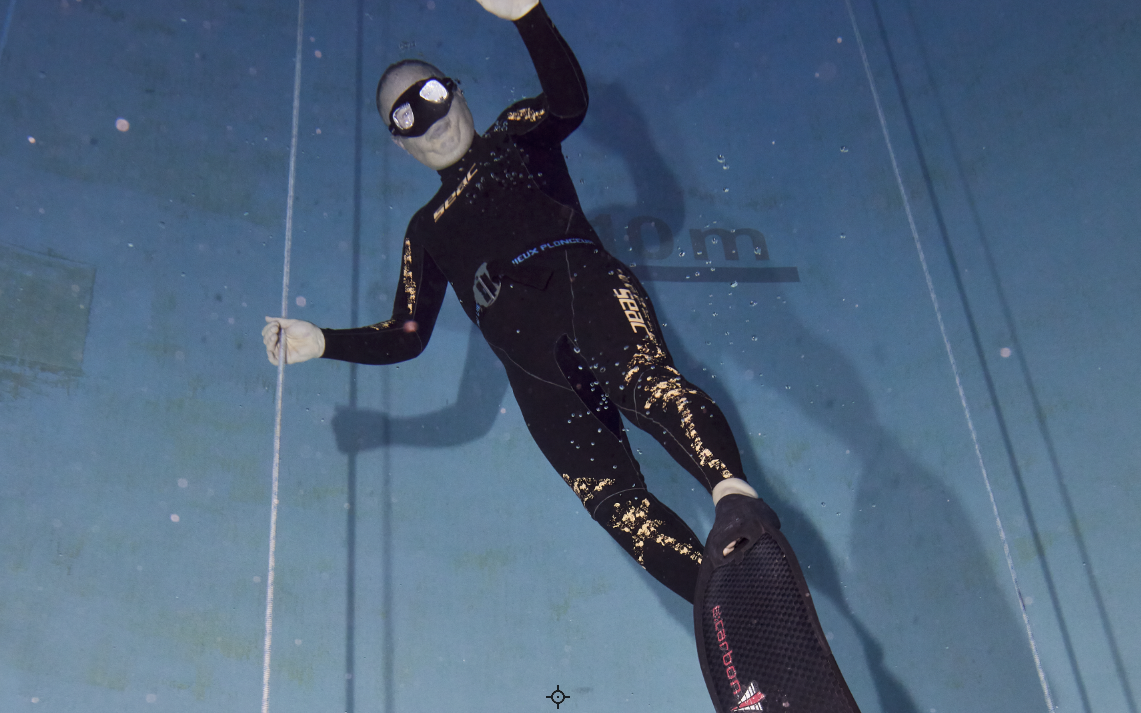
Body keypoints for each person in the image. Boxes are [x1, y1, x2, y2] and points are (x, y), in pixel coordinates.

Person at [262, 0, 776, 604]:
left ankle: (735, 503)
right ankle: (729, 607)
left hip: (587, 293)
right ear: (400, 144)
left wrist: (528, 15)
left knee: (646, 386)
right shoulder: (425, 232)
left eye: (432, 95)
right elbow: (407, 334)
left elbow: (568, 103)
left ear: (458, 93)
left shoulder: (515, 134)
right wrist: (324, 342)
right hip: (536, 376)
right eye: (406, 116)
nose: (430, 121)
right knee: (612, 502)